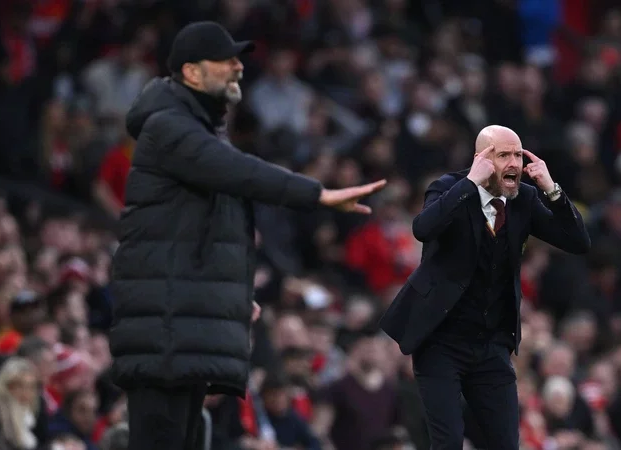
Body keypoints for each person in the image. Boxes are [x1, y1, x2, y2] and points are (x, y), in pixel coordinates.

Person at [107, 21, 386, 450]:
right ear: (192, 72)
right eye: (226, 59)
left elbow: (205, 235)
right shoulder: (168, 126)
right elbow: (241, 172)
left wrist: (235, 297)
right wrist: (317, 194)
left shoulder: (198, 128)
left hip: (181, 325)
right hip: (163, 330)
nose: (239, 67)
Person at [379, 125, 590, 450]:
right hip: (441, 340)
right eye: (503, 154)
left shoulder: (525, 198)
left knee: (506, 444)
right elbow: (423, 228)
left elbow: (577, 241)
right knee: (448, 443)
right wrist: (469, 183)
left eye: (518, 155)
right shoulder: (449, 187)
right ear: (482, 158)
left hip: (491, 343)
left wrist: (552, 189)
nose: (514, 163)